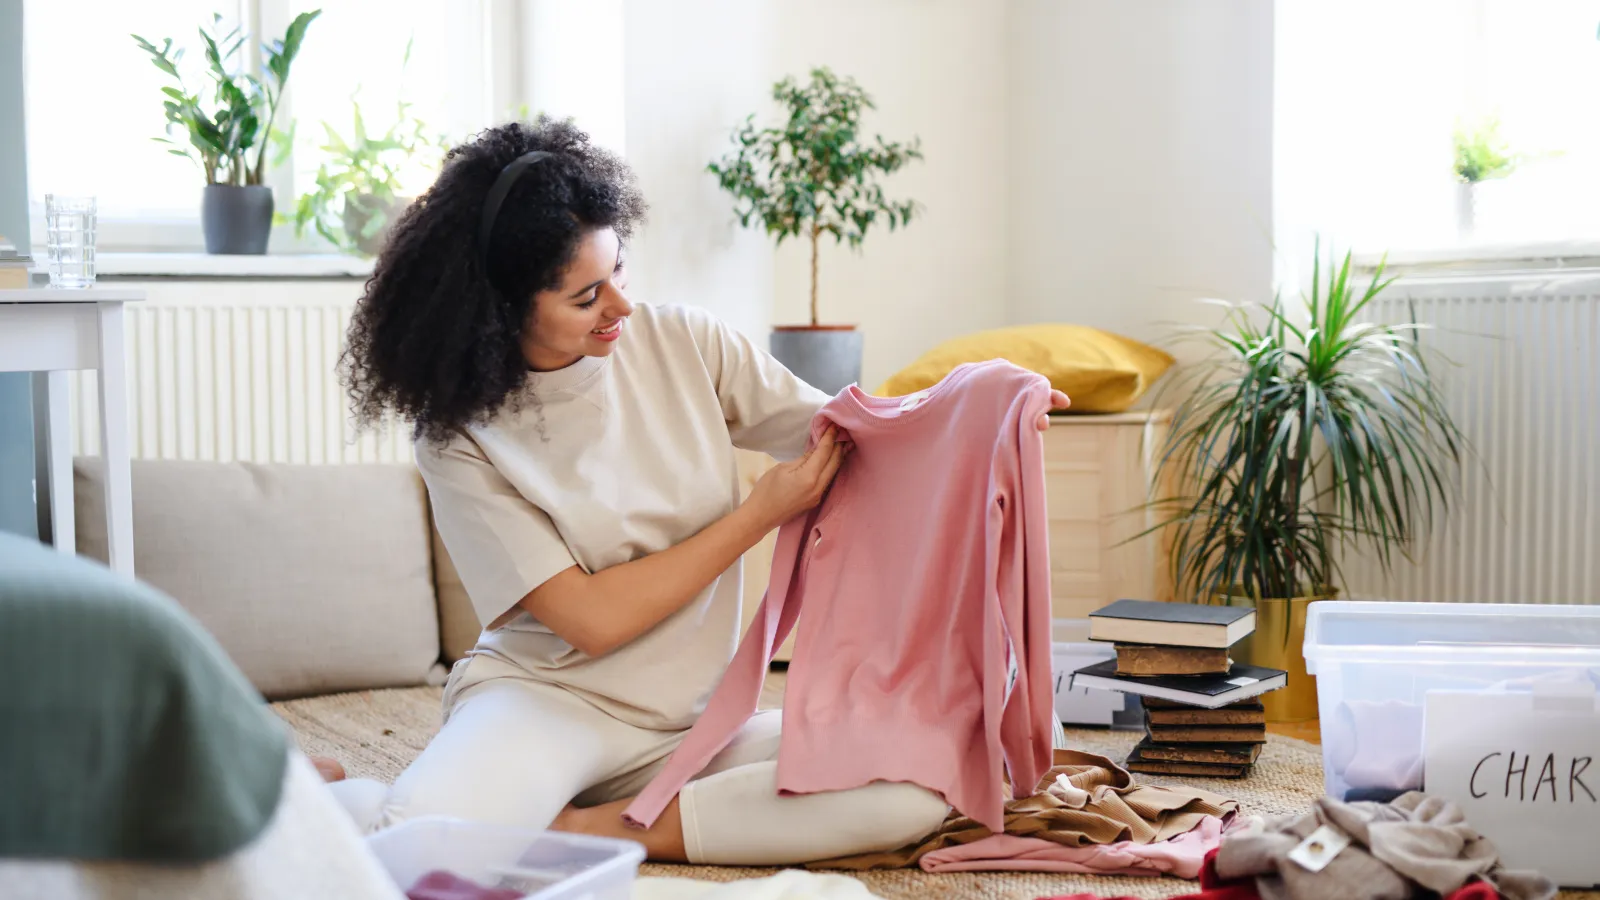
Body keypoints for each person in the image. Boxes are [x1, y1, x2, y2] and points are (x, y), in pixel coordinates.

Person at [323, 116, 1069, 866]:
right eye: (586, 296)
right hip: (546, 704)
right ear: (503, 313)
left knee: (922, 777)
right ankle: (322, 797)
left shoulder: (683, 341)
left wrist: (987, 406)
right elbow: (593, 619)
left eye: (620, 271)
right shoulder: (457, 435)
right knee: (408, 856)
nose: (619, 306)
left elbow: (851, 436)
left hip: (695, 723)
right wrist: (760, 514)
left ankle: (585, 832)